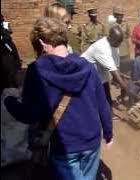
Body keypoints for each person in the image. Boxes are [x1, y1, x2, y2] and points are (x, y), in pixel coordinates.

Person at [4, 17, 113, 180]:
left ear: (41, 43)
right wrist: (108, 132)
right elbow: (102, 103)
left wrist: (9, 102)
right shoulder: (87, 67)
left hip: (64, 145)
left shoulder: (37, 71)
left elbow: (30, 114)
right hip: (91, 140)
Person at [81, 26, 128, 107]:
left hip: (99, 70)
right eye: (117, 42)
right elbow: (113, 71)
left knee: (105, 87)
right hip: (86, 72)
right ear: (109, 37)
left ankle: (108, 109)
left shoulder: (115, 44)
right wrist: (126, 88)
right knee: (93, 96)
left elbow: (115, 67)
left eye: (120, 42)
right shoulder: (102, 48)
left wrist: (121, 76)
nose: (119, 44)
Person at [0, 15, 21, 94]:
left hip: (8, 52)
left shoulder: (5, 25)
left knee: (11, 72)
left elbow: (9, 34)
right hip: (4, 53)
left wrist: (6, 29)